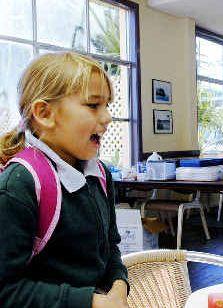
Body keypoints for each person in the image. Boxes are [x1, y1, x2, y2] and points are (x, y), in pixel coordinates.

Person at [0, 52, 129, 307]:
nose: (107, 117)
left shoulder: (100, 175)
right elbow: (6, 291)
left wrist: (119, 284)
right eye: (93, 105)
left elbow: (111, 247)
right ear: (45, 113)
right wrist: (91, 302)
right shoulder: (19, 186)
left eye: (107, 105)